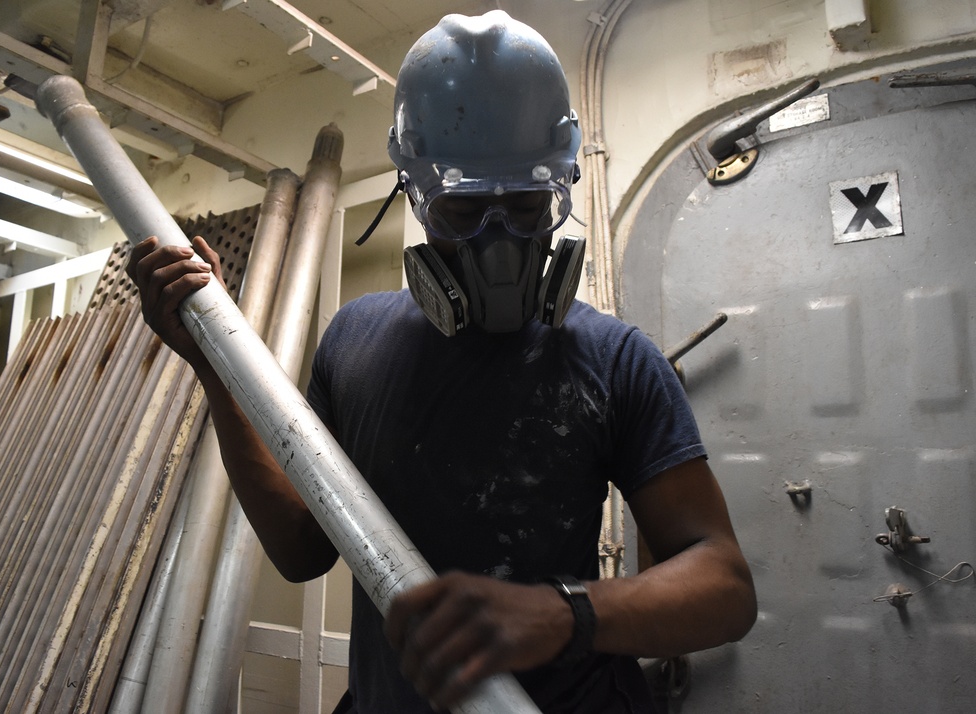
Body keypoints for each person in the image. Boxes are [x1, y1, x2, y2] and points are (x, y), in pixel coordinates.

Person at [127, 10, 756, 714]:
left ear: (564, 189)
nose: (501, 240)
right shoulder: (353, 340)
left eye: (527, 206)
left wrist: (564, 612)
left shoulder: (616, 360)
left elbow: (725, 587)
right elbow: (304, 549)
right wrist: (213, 365)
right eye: (463, 212)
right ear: (415, 195)